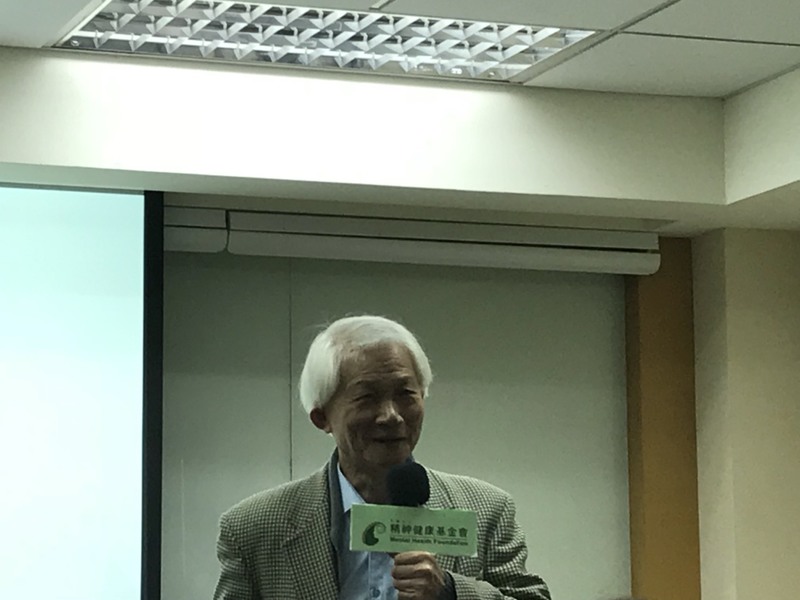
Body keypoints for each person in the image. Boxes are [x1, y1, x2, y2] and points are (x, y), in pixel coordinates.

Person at [214, 315, 551, 600]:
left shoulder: (486, 510)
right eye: (367, 397)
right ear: (322, 417)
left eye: (405, 394)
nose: (391, 415)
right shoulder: (253, 529)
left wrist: (450, 592)